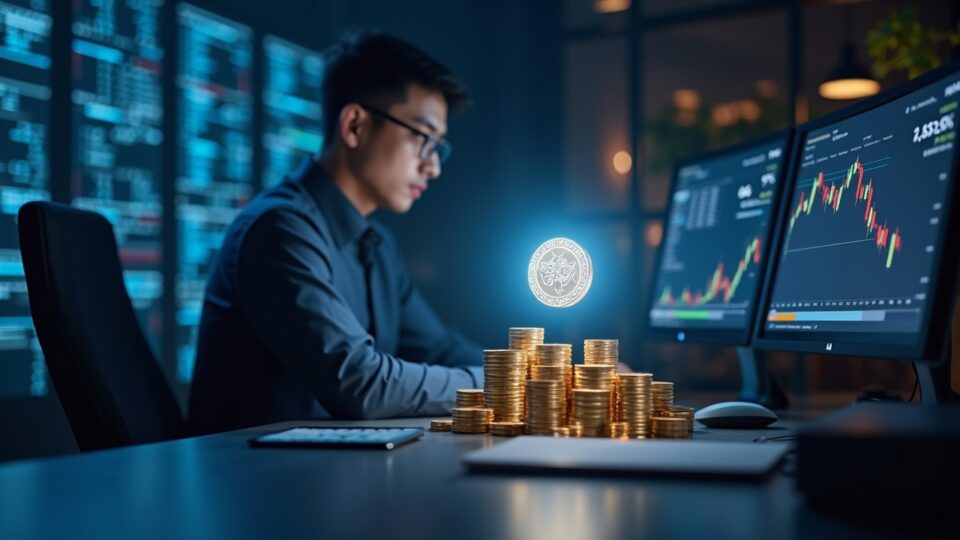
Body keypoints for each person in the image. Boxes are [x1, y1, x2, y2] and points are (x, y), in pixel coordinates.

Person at [188, 32, 483, 434]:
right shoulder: (280, 229)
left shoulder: (378, 246)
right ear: (355, 126)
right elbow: (361, 383)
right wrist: (497, 385)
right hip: (255, 484)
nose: (433, 167)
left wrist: (536, 375)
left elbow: (440, 349)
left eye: (438, 148)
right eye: (424, 139)